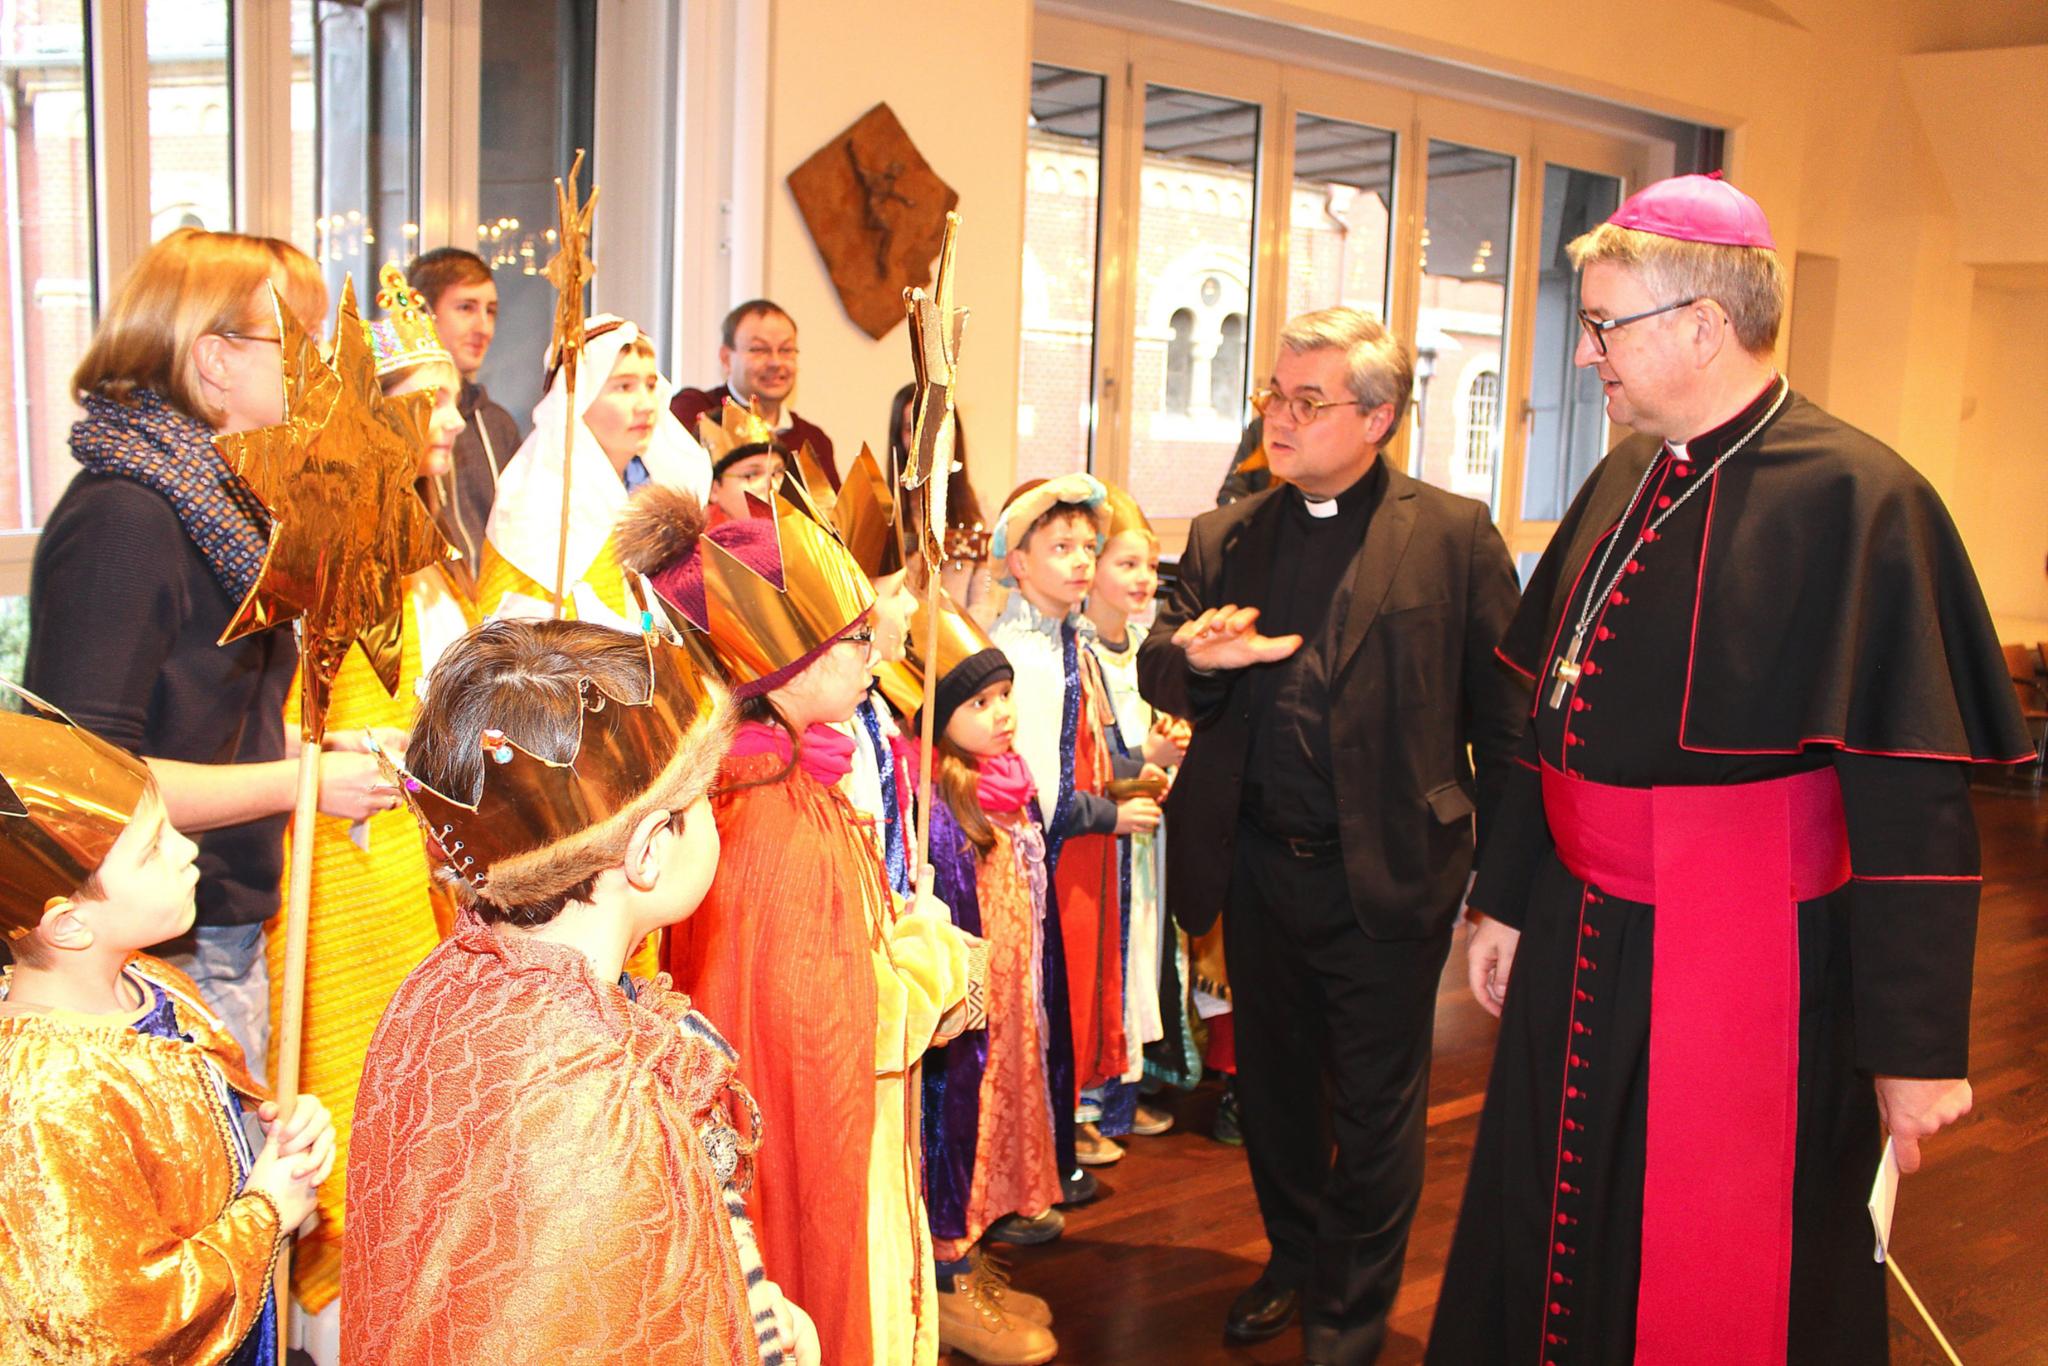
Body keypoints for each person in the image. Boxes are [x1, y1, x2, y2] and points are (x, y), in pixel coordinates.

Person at [1428, 174, 2031, 1366]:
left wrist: (1914, 1053)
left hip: (1746, 951)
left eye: (1604, 323)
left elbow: (1910, 800)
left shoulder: (1862, 499)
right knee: (1558, 1210)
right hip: (1580, 913)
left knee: (1717, 1259)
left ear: (1701, 324)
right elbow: (1540, 713)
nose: (1586, 350)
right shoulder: (1626, 472)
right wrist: (1503, 895)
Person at [1137, 305, 1523, 1362]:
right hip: (1257, 868)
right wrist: (1198, 665)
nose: (1279, 416)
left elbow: (1503, 720)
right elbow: (1157, 659)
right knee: (1269, 1094)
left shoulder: (1450, 534)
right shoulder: (1227, 533)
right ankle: (1292, 1257)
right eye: (1271, 393)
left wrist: (1503, 885)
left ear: (1378, 416)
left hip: (1388, 875)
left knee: (1375, 1106)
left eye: (1306, 401)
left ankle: (1349, 1317)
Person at [342, 617, 816, 1365]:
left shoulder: (439, 987)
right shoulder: (600, 1114)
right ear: (651, 849)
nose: (717, 814)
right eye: (705, 797)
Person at [620, 484, 976, 1366]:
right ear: (788, 662)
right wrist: (945, 969)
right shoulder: (772, 814)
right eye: (855, 642)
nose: (874, 656)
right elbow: (832, 1036)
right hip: (811, 1150)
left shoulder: (765, 780)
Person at [23, 228, 393, 1072]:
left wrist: (323, 751)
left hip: (216, 925)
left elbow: (199, 726)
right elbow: (84, 782)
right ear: (215, 361)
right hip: (155, 950)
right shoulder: (128, 518)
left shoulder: (220, 506)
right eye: (297, 342)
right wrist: (301, 784)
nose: (321, 370)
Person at [262, 263, 474, 1334]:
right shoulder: (331, 545)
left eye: (448, 400)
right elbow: (300, 706)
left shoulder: (427, 548)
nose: (447, 422)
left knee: (409, 1107)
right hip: (338, 863)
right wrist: (334, 742)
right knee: (343, 1095)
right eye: (424, 404)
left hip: (408, 857)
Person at [0, 686, 335, 1364]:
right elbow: (117, 1326)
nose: (188, 850)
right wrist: (266, 1212)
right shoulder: (47, 1098)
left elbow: (218, 1140)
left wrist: (280, 1135)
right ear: (67, 923)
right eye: (153, 849)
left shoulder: (157, 983)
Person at [990, 475, 1162, 1183]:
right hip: (1052, 860)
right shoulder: (1022, 657)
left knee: (1077, 992)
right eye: (1060, 546)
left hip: (1085, 856)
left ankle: (1064, 1135)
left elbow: (1096, 742)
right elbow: (1039, 791)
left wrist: (1141, 764)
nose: (1080, 560)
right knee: (1046, 998)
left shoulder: (1074, 644)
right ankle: (1045, 1150)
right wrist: (1112, 815)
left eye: (1088, 546)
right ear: (1019, 561)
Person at [912, 595, 1062, 1366]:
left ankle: (970, 1264)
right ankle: (950, 1279)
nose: (1002, 713)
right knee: (957, 1137)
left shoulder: (1005, 779)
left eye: (1005, 696)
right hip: (966, 1015)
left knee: (997, 1124)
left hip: (1009, 999)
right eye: (980, 701)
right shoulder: (943, 803)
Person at [477, 315, 711, 626]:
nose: (646, 403)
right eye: (624, 386)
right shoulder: (536, 502)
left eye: (651, 384)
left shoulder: (664, 489)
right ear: (579, 400)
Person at [1084, 484, 1195, 1130]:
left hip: (1145, 833)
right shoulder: (1082, 650)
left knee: (1141, 957)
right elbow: (1090, 749)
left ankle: (1122, 1093)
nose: (1143, 579)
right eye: (1126, 564)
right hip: (1105, 833)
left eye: (1150, 566)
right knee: (1108, 961)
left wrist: (1169, 742)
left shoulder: (1144, 646)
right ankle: (1092, 1105)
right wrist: (1143, 752)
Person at [406, 247, 521, 597]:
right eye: (466, 308)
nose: (483, 327)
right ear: (422, 313)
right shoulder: (392, 423)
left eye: (491, 311)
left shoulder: (497, 424)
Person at [674, 300, 837, 487]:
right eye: (759, 350)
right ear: (726, 359)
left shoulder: (815, 440)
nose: (776, 362)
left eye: (786, 350)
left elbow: (830, 515)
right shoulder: (695, 412)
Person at [889, 381, 993, 613]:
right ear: (899, 437)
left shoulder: (980, 514)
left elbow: (984, 601)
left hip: (964, 640)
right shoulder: (885, 513)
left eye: (933, 424)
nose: (922, 438)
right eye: (910, 428)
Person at [700, 395, 793, 525]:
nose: (773, 487)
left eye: (778, 472)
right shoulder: (701, 545)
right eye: (751, 475)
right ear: (713, 490)